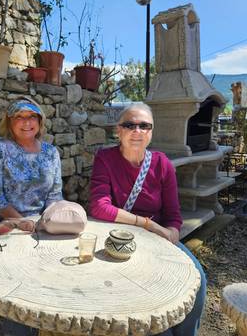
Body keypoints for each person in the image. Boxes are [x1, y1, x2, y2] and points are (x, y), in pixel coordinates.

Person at [90, 103, 207, 336]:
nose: (137, 131)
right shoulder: (105, 158)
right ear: (118, 130)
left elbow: (173, 215)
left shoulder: (161, 163)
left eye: (144, 126)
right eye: (130, 125)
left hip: (156, 239)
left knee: (198, 280)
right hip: (119, 236)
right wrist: (148, 223)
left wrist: (173, 232)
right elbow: (99, 207)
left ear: (151, 132)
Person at [0, 96, 63, 233]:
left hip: (37, 221)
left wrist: (47, 221)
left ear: (39, 121)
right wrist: (24, 224)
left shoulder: (51, 152)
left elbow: (55, 195)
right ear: (9, 123)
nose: (26, 122)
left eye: (32, 116)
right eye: (19, 117)